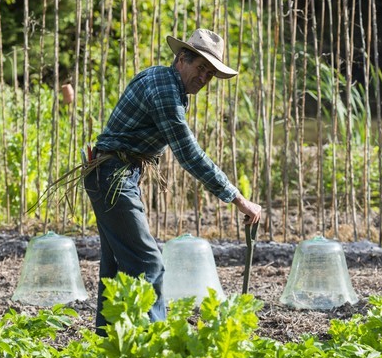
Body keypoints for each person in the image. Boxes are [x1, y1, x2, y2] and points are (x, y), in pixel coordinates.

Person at [83, 28, 262, 334]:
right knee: (148, 262)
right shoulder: (165, 89)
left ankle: (106, 348)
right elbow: (188, 153)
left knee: (115, 268)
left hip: (112, 174)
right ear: (182, 59)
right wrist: (238, 198)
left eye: (210, 74)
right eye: (201, 68)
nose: (204, 79)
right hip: (113, 176)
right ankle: (156, 349)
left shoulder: (165, 81)